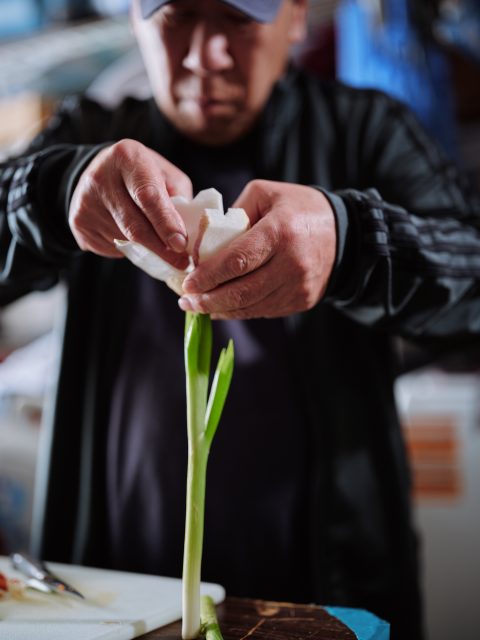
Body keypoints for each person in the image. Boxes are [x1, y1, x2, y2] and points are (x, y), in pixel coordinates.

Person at [1, 1, 480, 638]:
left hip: (324, 585)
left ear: (296, 18)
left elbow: (468, 273)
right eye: (178, 18)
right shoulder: (91, 130)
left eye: (238, 19)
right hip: (118, 586)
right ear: (139, 23)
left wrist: (353, 241)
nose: (206, 56)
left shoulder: (366, 131)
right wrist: (53, 190)